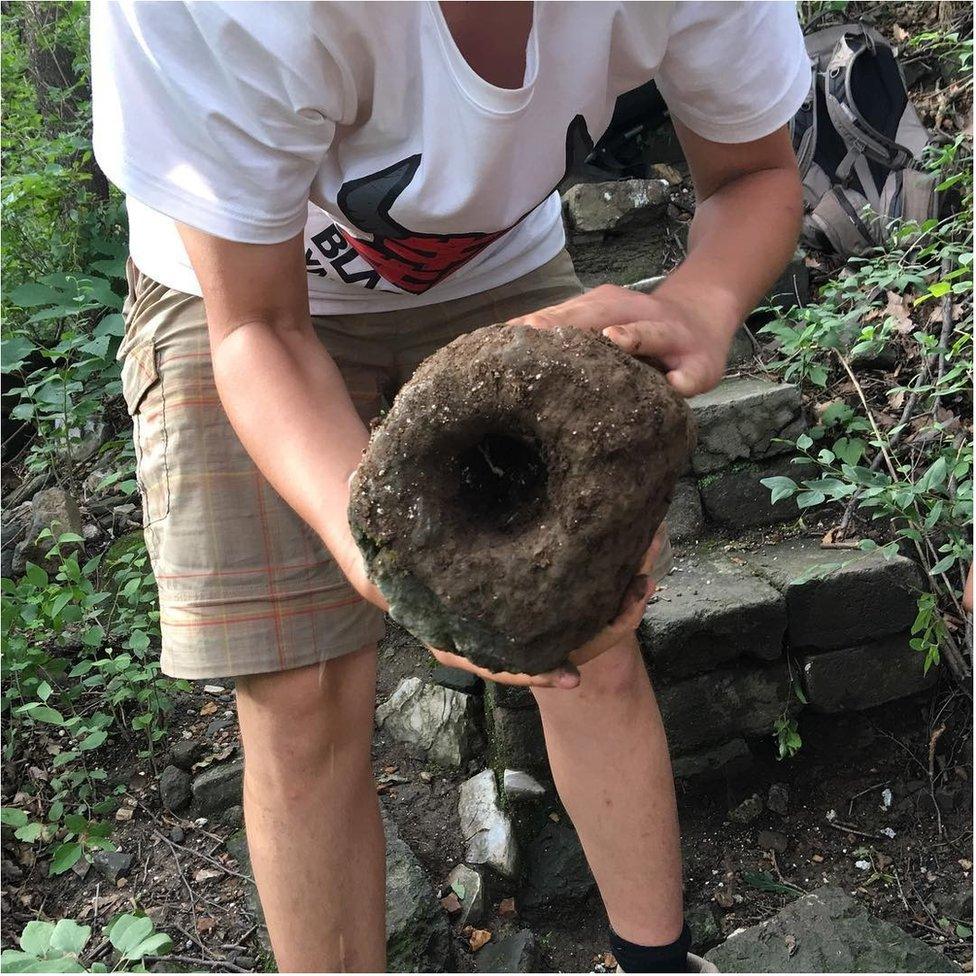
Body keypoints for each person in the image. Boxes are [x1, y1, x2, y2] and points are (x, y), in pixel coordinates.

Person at [91, 2, 808, 971]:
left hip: (496, 266)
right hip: (238, 283)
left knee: (586, 632)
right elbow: (258, 330)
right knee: (300, 694)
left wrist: (699, 298)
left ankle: (657, 959)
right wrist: (382, 556)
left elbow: (755, 174)